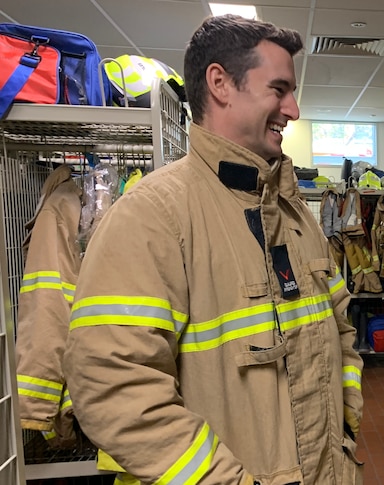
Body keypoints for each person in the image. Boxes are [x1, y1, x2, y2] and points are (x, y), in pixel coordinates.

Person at [63, 15, 364, 485]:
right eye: (279, 89)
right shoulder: (153, 215)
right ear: (221, 83)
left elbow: (339, 325)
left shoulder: (295, 211)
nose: (294, 109)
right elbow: (114, 387)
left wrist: (345, 425)